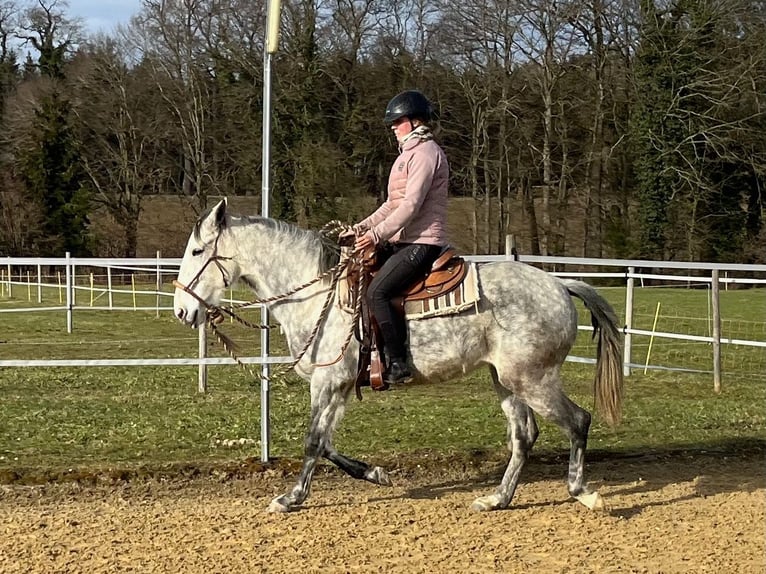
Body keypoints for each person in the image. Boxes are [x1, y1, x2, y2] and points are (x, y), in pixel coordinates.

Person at [349, 89, 450, 385]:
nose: (393, 127)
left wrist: (377, 236)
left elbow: (411, 205)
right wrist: (361, 229)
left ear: (415, 121)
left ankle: (397, 363)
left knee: (377, 292)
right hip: (404, 240)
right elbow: (391, 204)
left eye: (398, 121)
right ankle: (368, 355)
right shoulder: (408, 155)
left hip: (424, 242)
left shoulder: (426, 154)